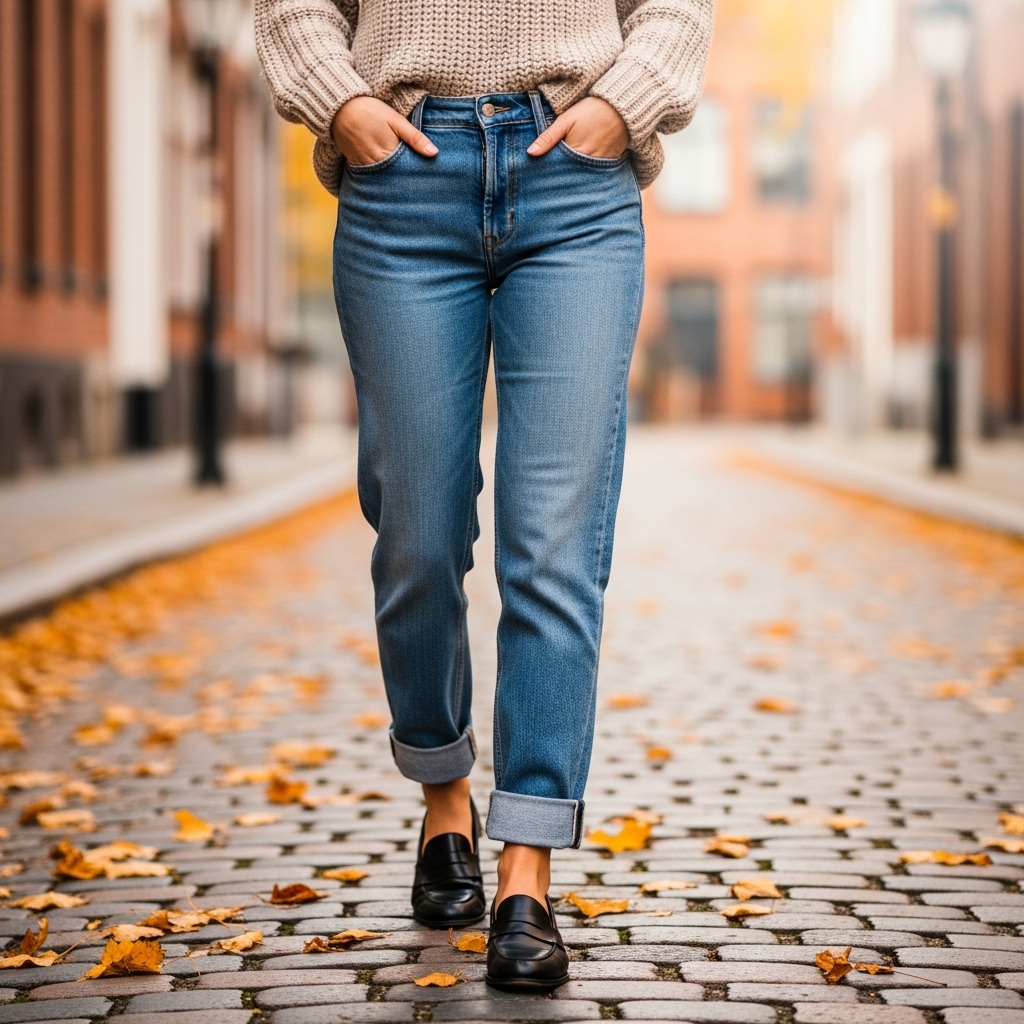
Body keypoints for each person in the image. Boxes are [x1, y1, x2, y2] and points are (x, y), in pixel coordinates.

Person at [255, 0, 713, 991]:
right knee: (416, 534)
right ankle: (443, 796)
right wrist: (340, 103)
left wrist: (619, 103)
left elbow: (675, 10)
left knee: (552, 545)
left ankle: (525, 874)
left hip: (576, 185)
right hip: (403, 181)